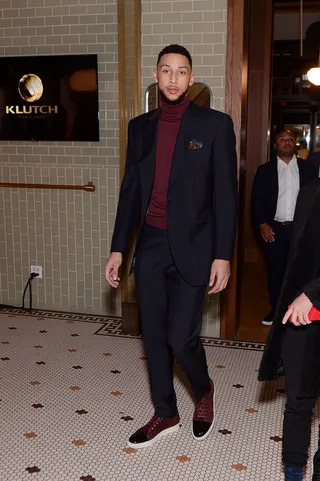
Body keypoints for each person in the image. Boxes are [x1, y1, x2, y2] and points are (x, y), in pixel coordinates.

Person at [104, 44, 238, 448]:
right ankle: (165, 412)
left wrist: (223, 254)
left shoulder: (215, 124)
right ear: (156, 77)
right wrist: (117, 249)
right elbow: (130, 192)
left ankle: (203, 389)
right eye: (166, 71)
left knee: (182, 338)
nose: (174, 78)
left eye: (182, 71)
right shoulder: (140, 127)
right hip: (150, 246)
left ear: (191, 79)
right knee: (154, 335)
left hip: (196, 246)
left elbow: (225, 196)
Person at [259, 178, 320, 481]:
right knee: (298, 396)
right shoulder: (311, 190)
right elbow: (299, 257)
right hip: (303, 313)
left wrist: (314, 293)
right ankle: (293, 470)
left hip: (311, 299)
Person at [251, 130, 317, 326]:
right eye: (282, 140)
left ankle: (298, 311)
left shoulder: (309, 169)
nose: (286, 143)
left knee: (301, 271)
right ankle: (277, 310)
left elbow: (315, 200)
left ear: (295, 144)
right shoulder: (264, 170)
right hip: (275, 230)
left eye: (290, 140)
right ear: (275, 146)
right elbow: (257, 200)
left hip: (301, 231)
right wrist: (262, 223)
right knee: (276, 272)